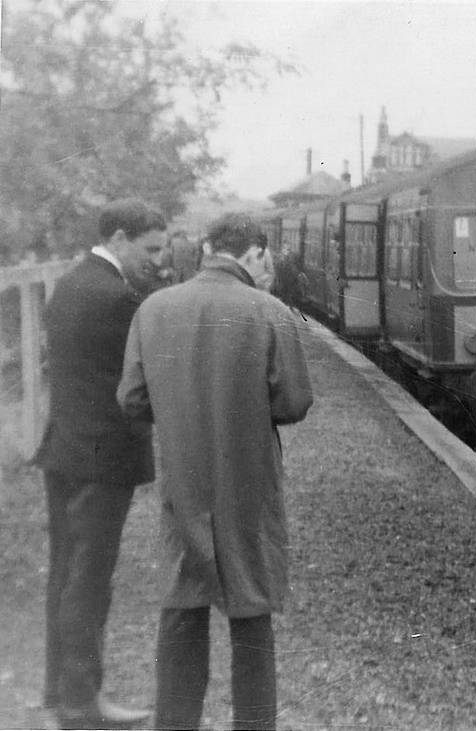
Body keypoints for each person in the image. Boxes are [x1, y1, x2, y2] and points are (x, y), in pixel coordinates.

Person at [117, 213, 313, 731]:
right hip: (248, 481)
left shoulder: (154, 309)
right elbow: (293, 402)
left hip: (182, 478)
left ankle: (175, 723)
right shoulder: (270, 311)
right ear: (253, 255)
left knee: (182, 601)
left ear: (207, 249)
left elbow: (132, 399)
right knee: (251, 608)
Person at [33, 198, 167, 729]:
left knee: (66, 574)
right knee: (89, 580)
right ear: (118, 237)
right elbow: (141, 380)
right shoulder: (118, 298)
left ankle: (59, 695)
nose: (156, 260)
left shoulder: (71, 282)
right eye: (149, 248)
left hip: (65, 449)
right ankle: (79, 706)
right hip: (101, 458)